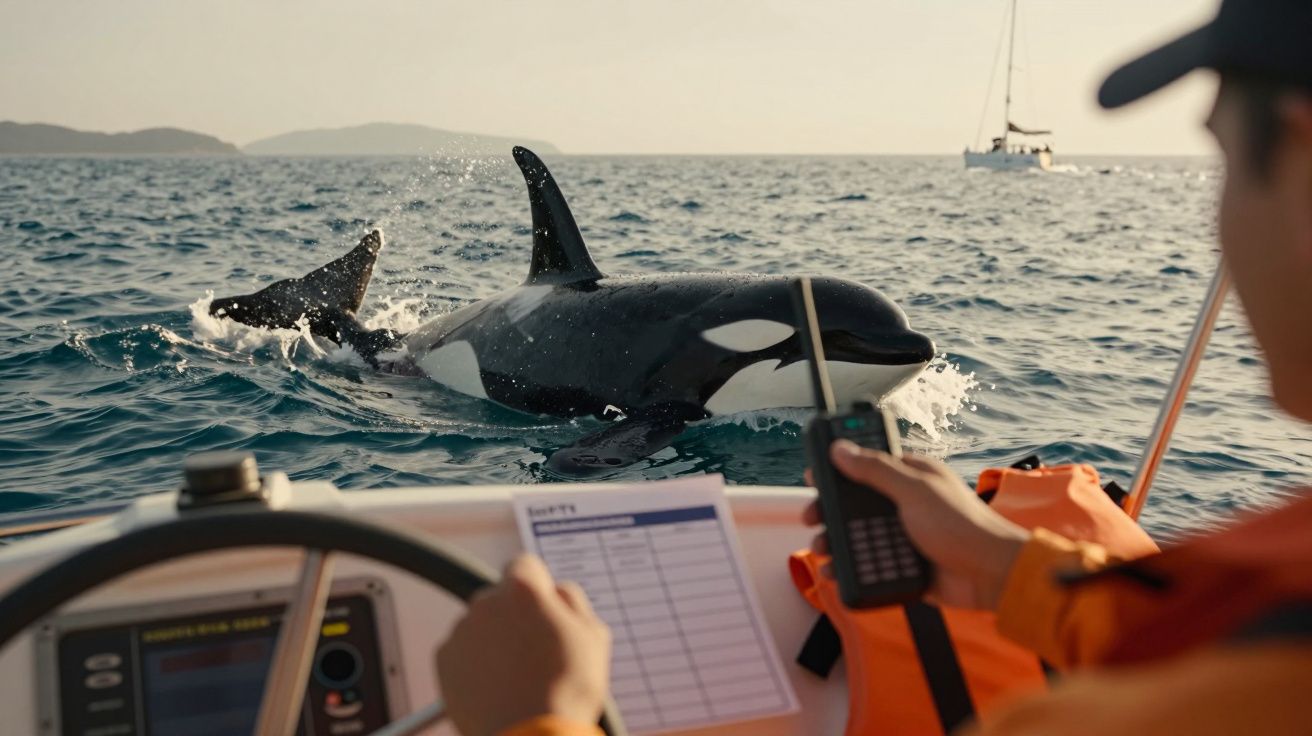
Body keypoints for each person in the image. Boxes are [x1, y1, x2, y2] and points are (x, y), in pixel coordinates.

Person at [435, 0, 1312, 733]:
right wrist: (998, 565)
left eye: (1224, 162)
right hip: (489, 351)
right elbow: (1210, 631)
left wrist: (536, 718)